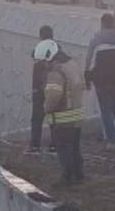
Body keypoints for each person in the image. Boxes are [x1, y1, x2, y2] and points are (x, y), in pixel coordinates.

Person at [38, 40, 85, 186]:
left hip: (62, 118)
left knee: (64, 149)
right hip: (76, 115)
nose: (44, 65)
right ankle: (78, 175)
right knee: (75, 148)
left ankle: (67, 178)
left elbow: (53, 96)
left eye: (44, 61)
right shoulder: (72, 65)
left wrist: (45, 108)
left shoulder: (56, 72)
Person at [85, 13, 115, 150]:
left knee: (106, 112)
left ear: (102, 24)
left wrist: (87, 78)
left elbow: (90, 61)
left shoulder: (97, 39)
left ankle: (112, 141)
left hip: (102, 81)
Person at [26, 26, 56, 154]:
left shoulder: (38, 48)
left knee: (37, 117)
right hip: (53, 87)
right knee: (54, 116)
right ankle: (54, 145)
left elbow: (33, 56)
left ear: (41, 36)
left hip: (38, 88)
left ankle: (34, 146)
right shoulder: (56, 47)